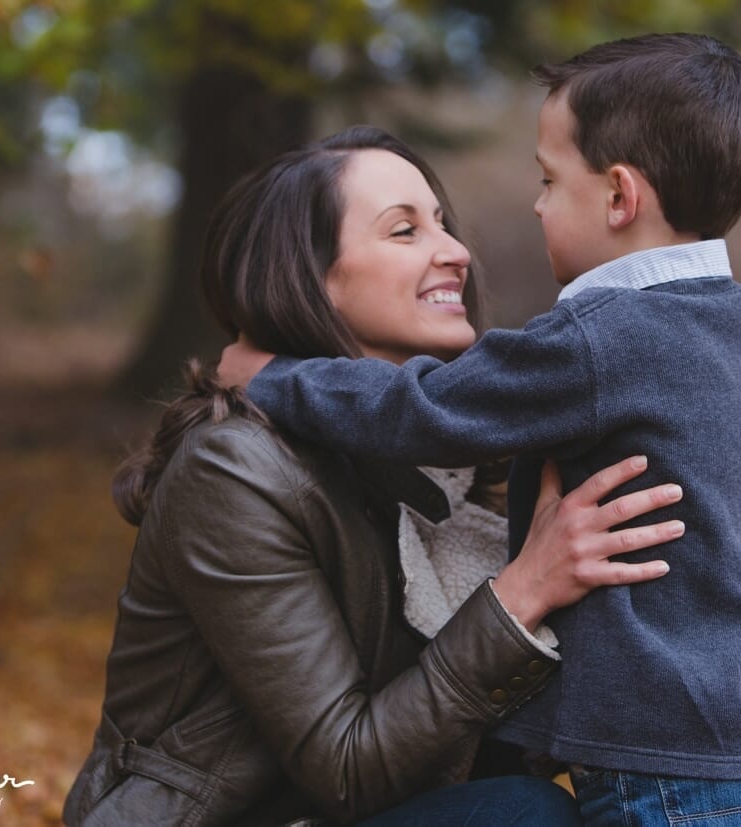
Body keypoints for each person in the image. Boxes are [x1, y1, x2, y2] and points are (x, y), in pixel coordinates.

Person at [217, 33, 741, 826]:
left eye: (550, 180)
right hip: (739, 743)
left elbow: (430, 411)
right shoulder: (724, 319)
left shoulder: (604, 335)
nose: (536, 204)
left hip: (655, 766)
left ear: (620, 197)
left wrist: (276, 377)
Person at [63, 126, 687, 827]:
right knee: (522, 817)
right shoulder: (234, 469)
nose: (455, 254)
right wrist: (522, 593)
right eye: (403, 231)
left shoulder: (445, 466)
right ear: (309, 277)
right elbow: (347, 768)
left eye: (444, 226)